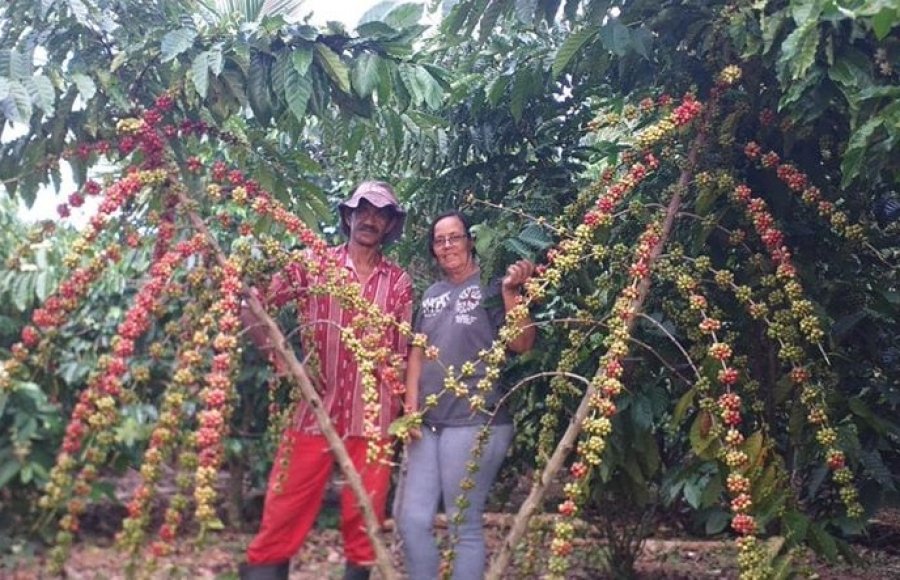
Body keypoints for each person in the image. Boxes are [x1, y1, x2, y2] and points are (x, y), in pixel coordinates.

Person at [240, 181, 414, 580]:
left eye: (381, 214)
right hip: (313, 409)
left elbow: (401, 353)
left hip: (373, 418)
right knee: (284, 508)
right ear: (348, 216)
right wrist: (281, 360)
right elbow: (252, 300)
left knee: (364, 521)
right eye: (363, 210)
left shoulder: (400, 282)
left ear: (389, 226)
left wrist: (403, 415)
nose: (370, 219)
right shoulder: (313, 264)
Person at [395, 210, 536, 580]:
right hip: (427, 424)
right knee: (411, 521)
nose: (447, 246)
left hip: (477, 420)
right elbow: (417, 352)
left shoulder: (491, 286)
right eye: (439, 240)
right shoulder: (432, 294)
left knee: (463, 524)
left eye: (454, 237)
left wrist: (511, 292)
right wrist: (409, 407)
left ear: (470, 241)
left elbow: (522, 343)